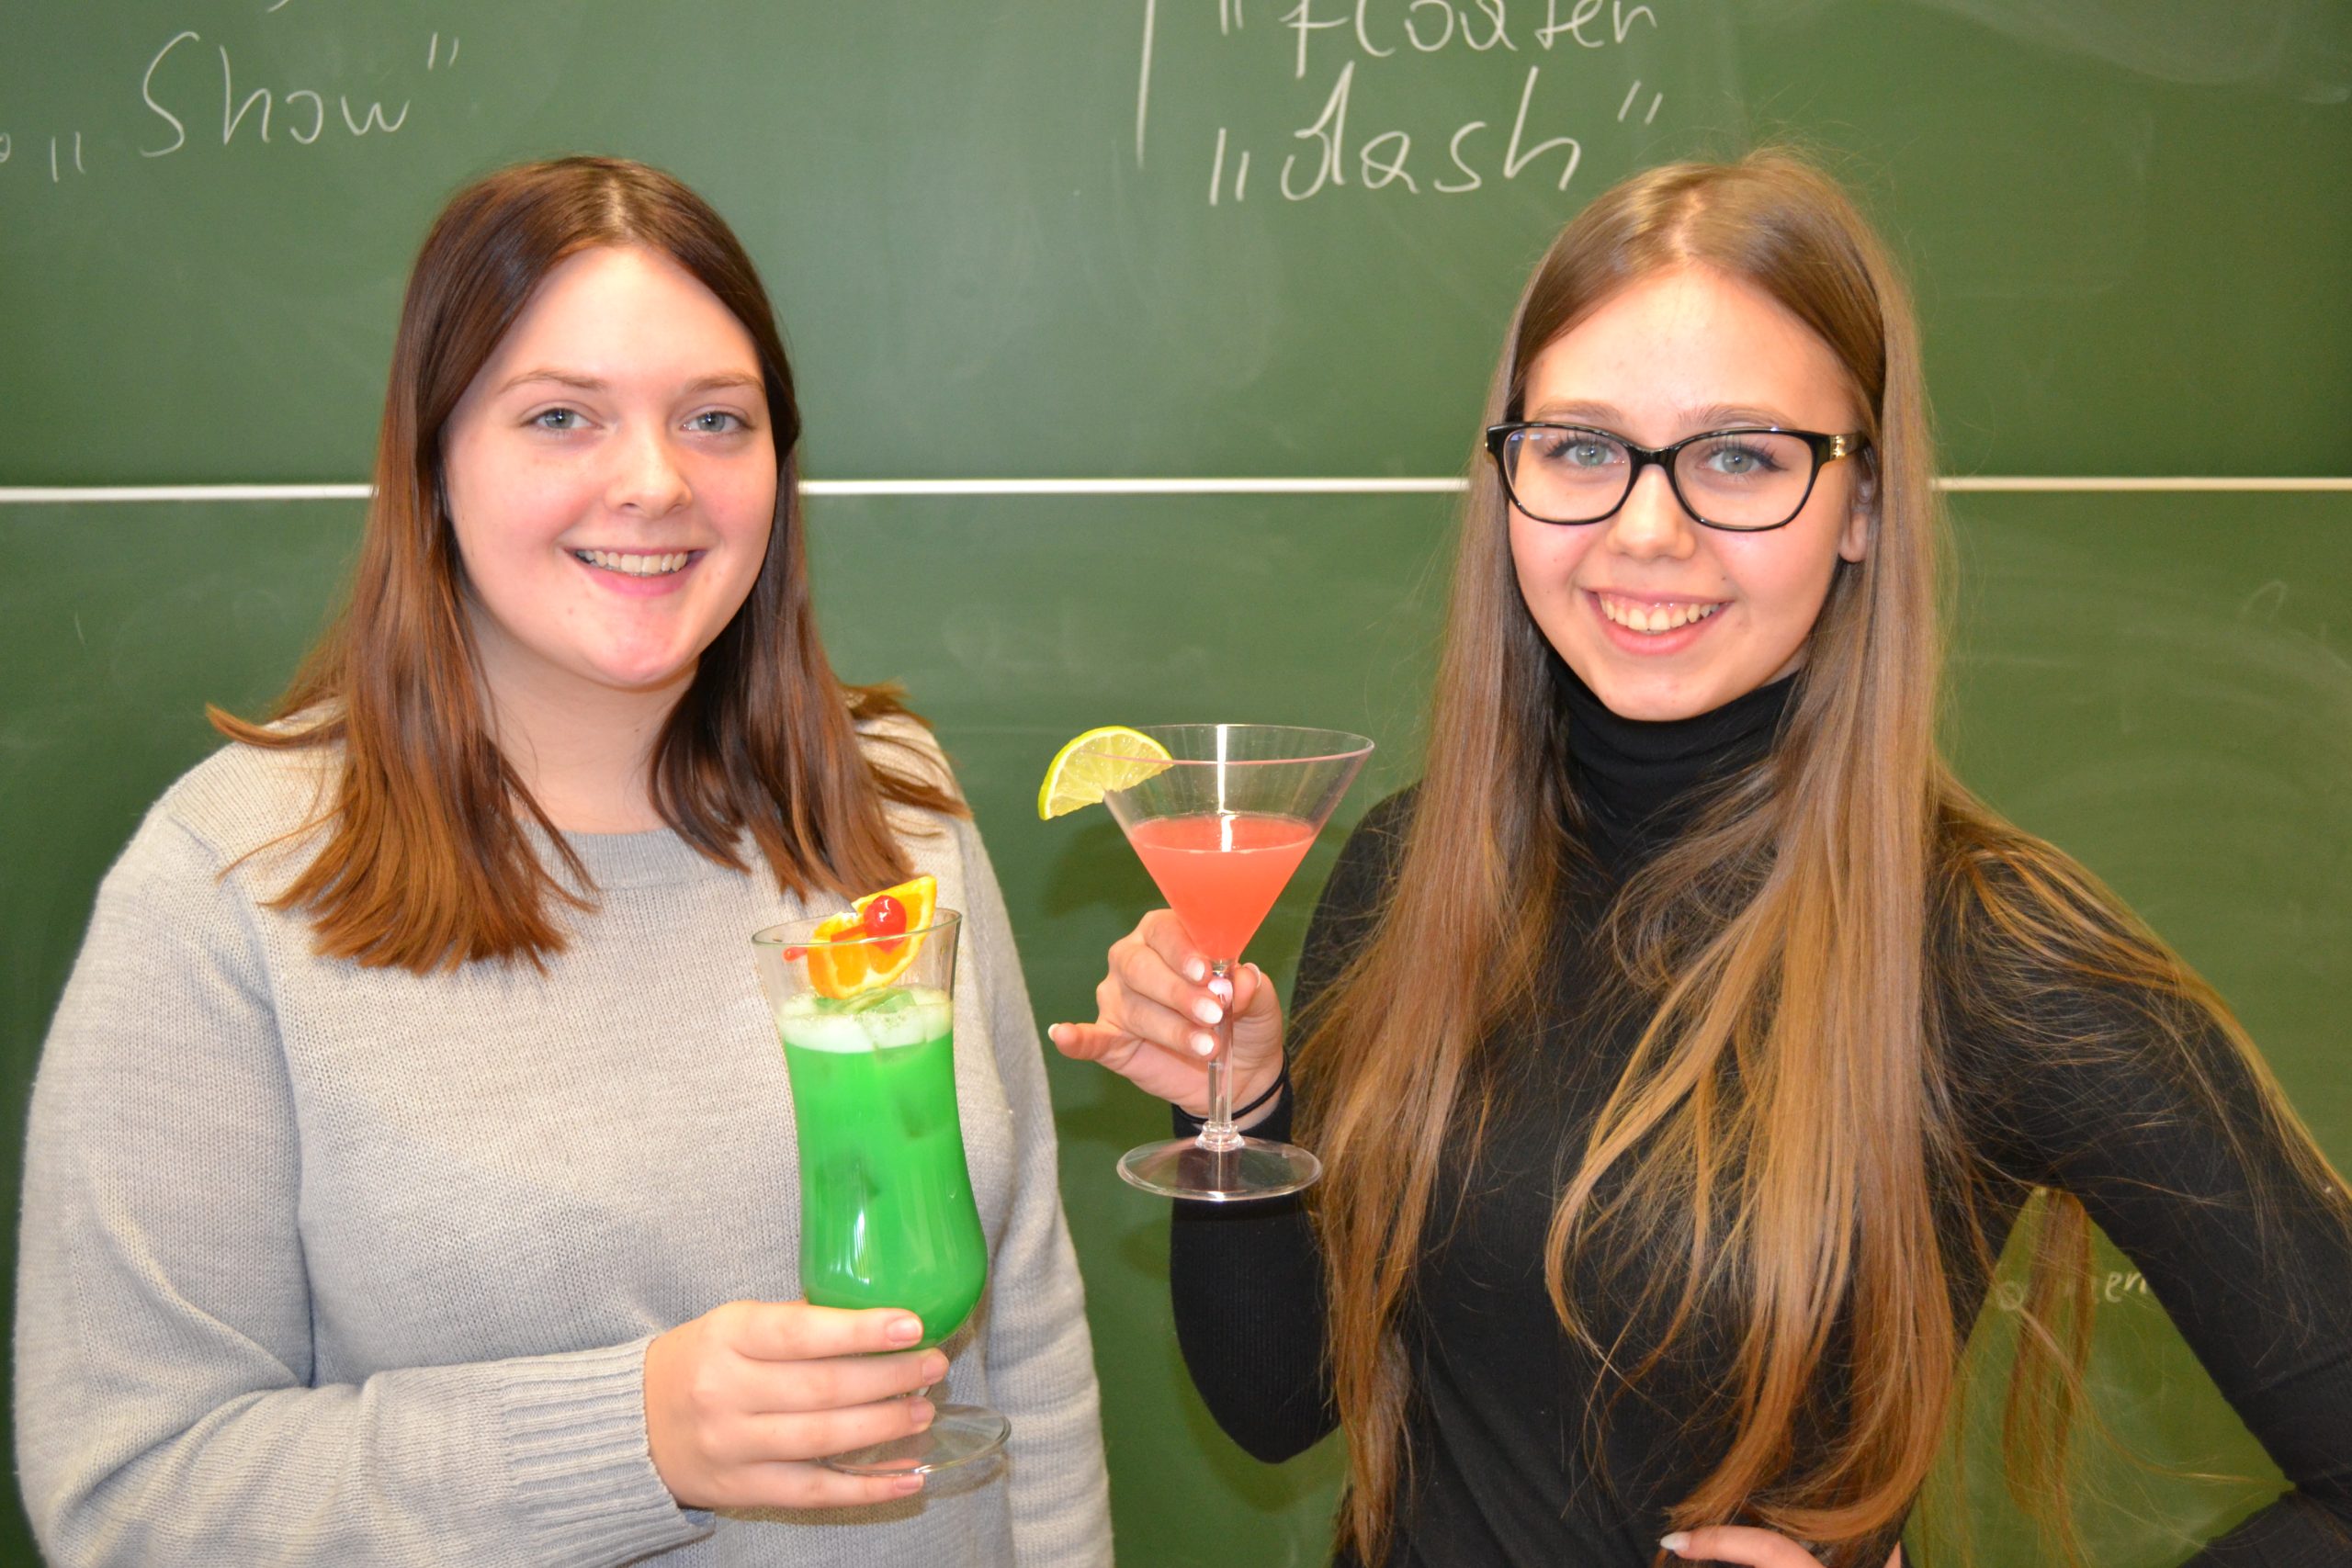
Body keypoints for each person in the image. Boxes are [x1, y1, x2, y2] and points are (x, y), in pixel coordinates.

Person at [1051, 151, 2352, 1567]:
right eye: (1581, 449)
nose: (1646, 529)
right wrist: (1236, 1106)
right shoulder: (1410, 870)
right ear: (1508, 475)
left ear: (1863, 506)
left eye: (1740, 457)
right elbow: (1276, 1404)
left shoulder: (1992, 952)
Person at [16, 156, 1111, 1567]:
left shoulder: (891, 808)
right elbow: (132, 1496)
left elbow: (1025, 1344)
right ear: (434, 463)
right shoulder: (231, 881)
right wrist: (630, 1439)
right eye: (558, 417)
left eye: (716, 419)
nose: (655, 482)